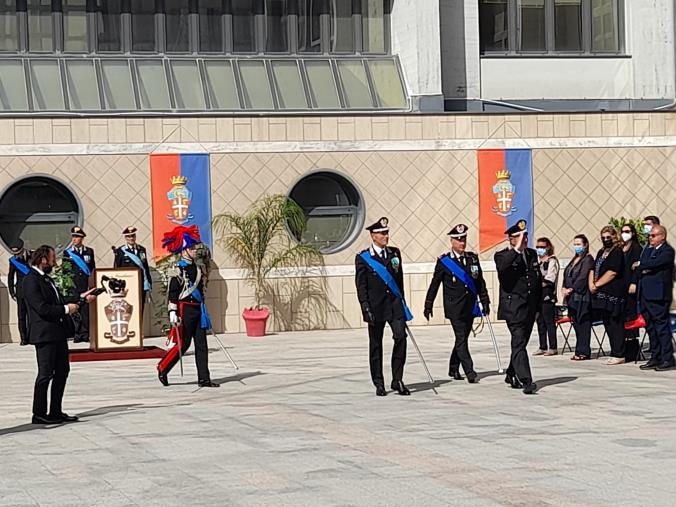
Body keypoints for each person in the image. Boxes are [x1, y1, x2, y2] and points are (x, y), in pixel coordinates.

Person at [22, 245, 97, 424]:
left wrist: (81, 298)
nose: (55, 263)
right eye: (52, 259)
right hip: (44, 334)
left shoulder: (46, 279)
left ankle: (55, 411)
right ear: (43, 260)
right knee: (45, 373)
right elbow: (41, 308)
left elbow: (58, 301)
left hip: (57, 333)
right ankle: (39, 413)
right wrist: (66, 309)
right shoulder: (30, 280)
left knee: (62, 371)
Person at [423, 224, 490, 383]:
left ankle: (453, 367)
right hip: (454, 307)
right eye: (458, 240)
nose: (462, 243)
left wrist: (485, 300)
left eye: (464, 239)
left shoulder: (472, 258)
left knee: (462, 339)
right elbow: (435, 284)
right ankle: (470, 371)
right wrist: (428, 304)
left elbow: (479, 282)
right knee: (461, 337)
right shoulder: (445, 262)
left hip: (470, 306)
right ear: (452, 241)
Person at [157, 226, 219, 388]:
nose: (193, 250)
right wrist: (172, 311)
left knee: (202, 345)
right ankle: (163, 367)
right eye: (190, 247)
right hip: (184, 309)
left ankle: (204, 378)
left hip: (198, 309)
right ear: (184, 250)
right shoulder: (178, 269)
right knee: (183, 345)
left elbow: (200, 289)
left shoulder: (198, 268)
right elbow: (173, 292)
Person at [355, 217, 410, 397]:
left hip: (394, 305)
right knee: (376, 345)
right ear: (373, 236)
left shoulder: (395, 254)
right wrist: (366, 308)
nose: (386, 236)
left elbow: (399, 280)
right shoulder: (363, 258)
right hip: (376, 307)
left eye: (387, 233)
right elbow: (361, 286)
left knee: (401, 338)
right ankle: (379, 382)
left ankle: (397, 379)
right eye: (382, 233)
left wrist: (403, 303)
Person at [494, 220, 541, 395]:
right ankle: (526, 380)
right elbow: (502, 267)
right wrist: (516, 250)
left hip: (529, 308)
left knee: (521, 343)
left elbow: (535, 282)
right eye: (520, 237)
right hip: (513, 308)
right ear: (511, 239)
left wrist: (538, 307)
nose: (524, 240)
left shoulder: (531, 254)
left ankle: (511, 372)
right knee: (519, 343)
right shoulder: (502, 255)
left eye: (526, 236)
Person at [637, 225, 675, 371]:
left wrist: (643, 266)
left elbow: (653, 264)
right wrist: (644, 266)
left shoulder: (667, 251)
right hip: (645, 294)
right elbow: (645, 265)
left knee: (661, 327)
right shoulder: (647, 250)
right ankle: (655, 356)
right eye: (650, 235)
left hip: (658, 295)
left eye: (653, 235)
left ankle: (667, 358)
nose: (650, 238)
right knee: (651, 328)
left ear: (662, 236)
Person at [589, 226, 626, 365]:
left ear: (614, 237)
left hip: (613, 292)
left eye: (608, 237)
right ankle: (613, 351)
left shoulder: (617, 252)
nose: (605, 240)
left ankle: (619, 353)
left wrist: (597, 284)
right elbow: (593, 268)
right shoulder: (601, 251)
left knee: (615, 322)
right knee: (607, 323)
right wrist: (592, 284)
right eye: (603, 238)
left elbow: (612, 272)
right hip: (601, 293)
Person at [562, 235, 595, 361]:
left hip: (582, 297)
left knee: (583, 324)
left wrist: (572, 288)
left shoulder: (587, 259)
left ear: (585, 245)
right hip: (571, 298)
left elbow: (582, 277)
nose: (576, 246)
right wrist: (564, 288)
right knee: (576, 324)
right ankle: (578, 349)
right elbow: (566, 275)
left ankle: (584, 351)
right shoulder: (574, 259)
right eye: (575, 244)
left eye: (579, 244)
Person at [63, 226, 96, 343]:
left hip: (85, 286)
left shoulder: (89, 251)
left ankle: (85, 334)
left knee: (85, 311)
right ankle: (77, 334)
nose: (74, 239)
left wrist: (92, 286)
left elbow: (92, 269)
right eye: (73, 237)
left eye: (77, 237)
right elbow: (65, 271)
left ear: (82, 238)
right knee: (75, 311)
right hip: (74, 286)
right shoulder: (67, 253)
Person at [113, 226, 152, 313]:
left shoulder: (141, 249)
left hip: (140, 284)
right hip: (127, 286)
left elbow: (145, 267)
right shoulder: (120, 251)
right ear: (125, 238)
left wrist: (149, 283)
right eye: (129, 236)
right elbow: (116, 269)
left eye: (133, 236)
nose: (131, 238)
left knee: (140, 309)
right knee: (128, 310)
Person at [533, 237, 560, 356]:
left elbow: (550, 278)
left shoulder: (552, 261)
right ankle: (542, 346)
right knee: (540, 321)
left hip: (547, 295)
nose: (540, 249)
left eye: (542, 247)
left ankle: (553, 346)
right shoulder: (536, 261)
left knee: (549, 321)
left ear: (548, 247)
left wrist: (538, 282)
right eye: (538, 247)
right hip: (537, 296)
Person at [620, 223, 643, 361]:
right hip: (621, 288)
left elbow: (637, 266)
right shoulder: (620, 248)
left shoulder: (636, 248)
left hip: (631, 287)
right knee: (622, 318)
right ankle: (623, 347)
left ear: (633, 233)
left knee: (631, 317)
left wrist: (634, 282)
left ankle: (632, 350)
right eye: (622, 231)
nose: (624, 233)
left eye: (627, 231)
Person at [8, 239, 32, 346]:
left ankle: (32, 336)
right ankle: (23, 338)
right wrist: (12, 291)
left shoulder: (32, 255)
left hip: (32, 290)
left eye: (18, 252)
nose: (17, 255)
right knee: (21, 316)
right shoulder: (13, 260)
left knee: (32, 315)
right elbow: (10, 277)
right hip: (20, 291)